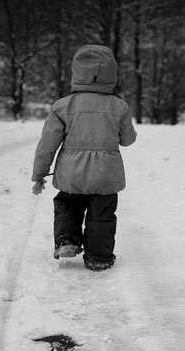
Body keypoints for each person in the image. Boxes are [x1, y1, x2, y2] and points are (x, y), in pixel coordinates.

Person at [31, 44, 136, 271]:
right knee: (102, 214)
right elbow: (128, 140)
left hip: (72, 173)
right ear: (111, 73)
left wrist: (39, 173)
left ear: (76, 72)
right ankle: (99, 256)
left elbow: (47, 144)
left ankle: (67, 240)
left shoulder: (62, 106)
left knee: (68, 203)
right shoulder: (119, 107)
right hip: (105, 175)